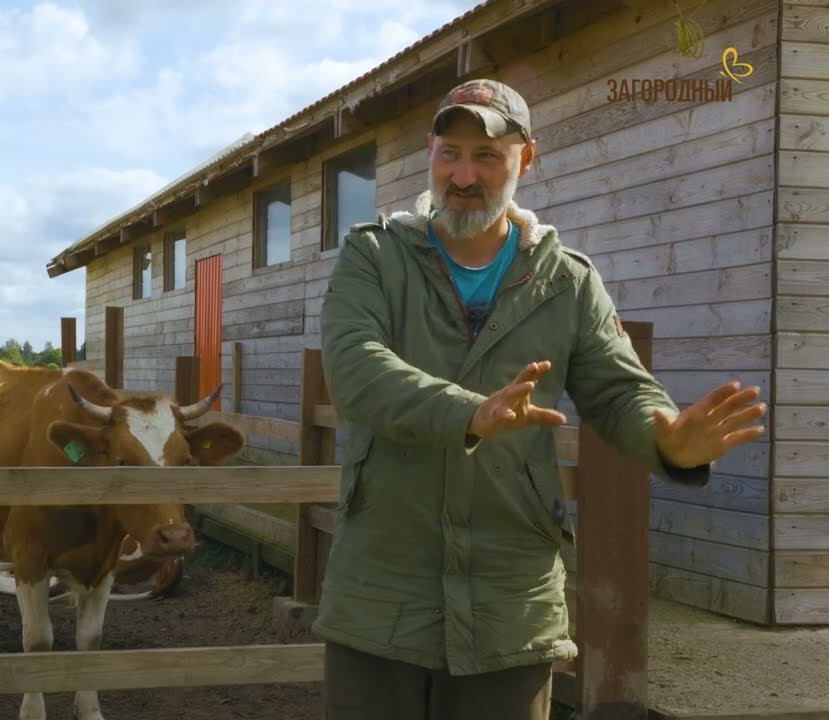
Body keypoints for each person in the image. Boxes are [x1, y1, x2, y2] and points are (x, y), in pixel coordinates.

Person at [315, 79, 766, 719]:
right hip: (381, 583)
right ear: (430, 152)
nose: (464, 175)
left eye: (488, 155)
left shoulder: (567, 279)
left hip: (510, 594)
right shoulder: (376, 255)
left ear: (526, 159)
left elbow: (618, 390)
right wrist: (468, 412)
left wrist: (666, 435)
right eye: (451, 153)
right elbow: (356, 368)